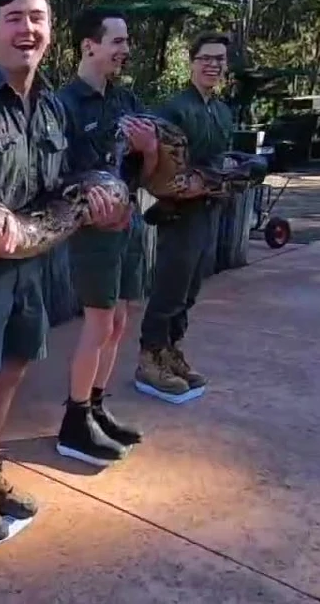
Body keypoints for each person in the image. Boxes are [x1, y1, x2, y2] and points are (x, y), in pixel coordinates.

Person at [0, 0, 129, 547]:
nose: (27, 28)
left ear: (49, 34)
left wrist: (96, 200)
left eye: (36, 18)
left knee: (13, 368)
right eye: (14, 17)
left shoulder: (51, 109)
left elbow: (63, 183)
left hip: (31, 264)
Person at [54, 7, 158, 466]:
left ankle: (96, 407)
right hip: (92, 230)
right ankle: (74, 423)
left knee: (118, 322)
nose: (125, 49)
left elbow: (149, 175)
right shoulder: (63, 106)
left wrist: (150, 148)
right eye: (117, 41)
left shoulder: (127, 102)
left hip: (130, 220)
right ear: (89, 46)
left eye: (126, 41)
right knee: (97, 324)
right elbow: (52, 176)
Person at [135, 31, 234, 401]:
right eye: (206, 58)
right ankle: (150, 357)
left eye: (219, 59)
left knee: (190, 289)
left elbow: (224, 162)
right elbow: (156, 167)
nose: (213, 65)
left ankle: (171, 350)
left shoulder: (222, 111)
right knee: (170, 287)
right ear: (191, 62)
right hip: (178, 213)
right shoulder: (174, 109)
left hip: (209, 210)